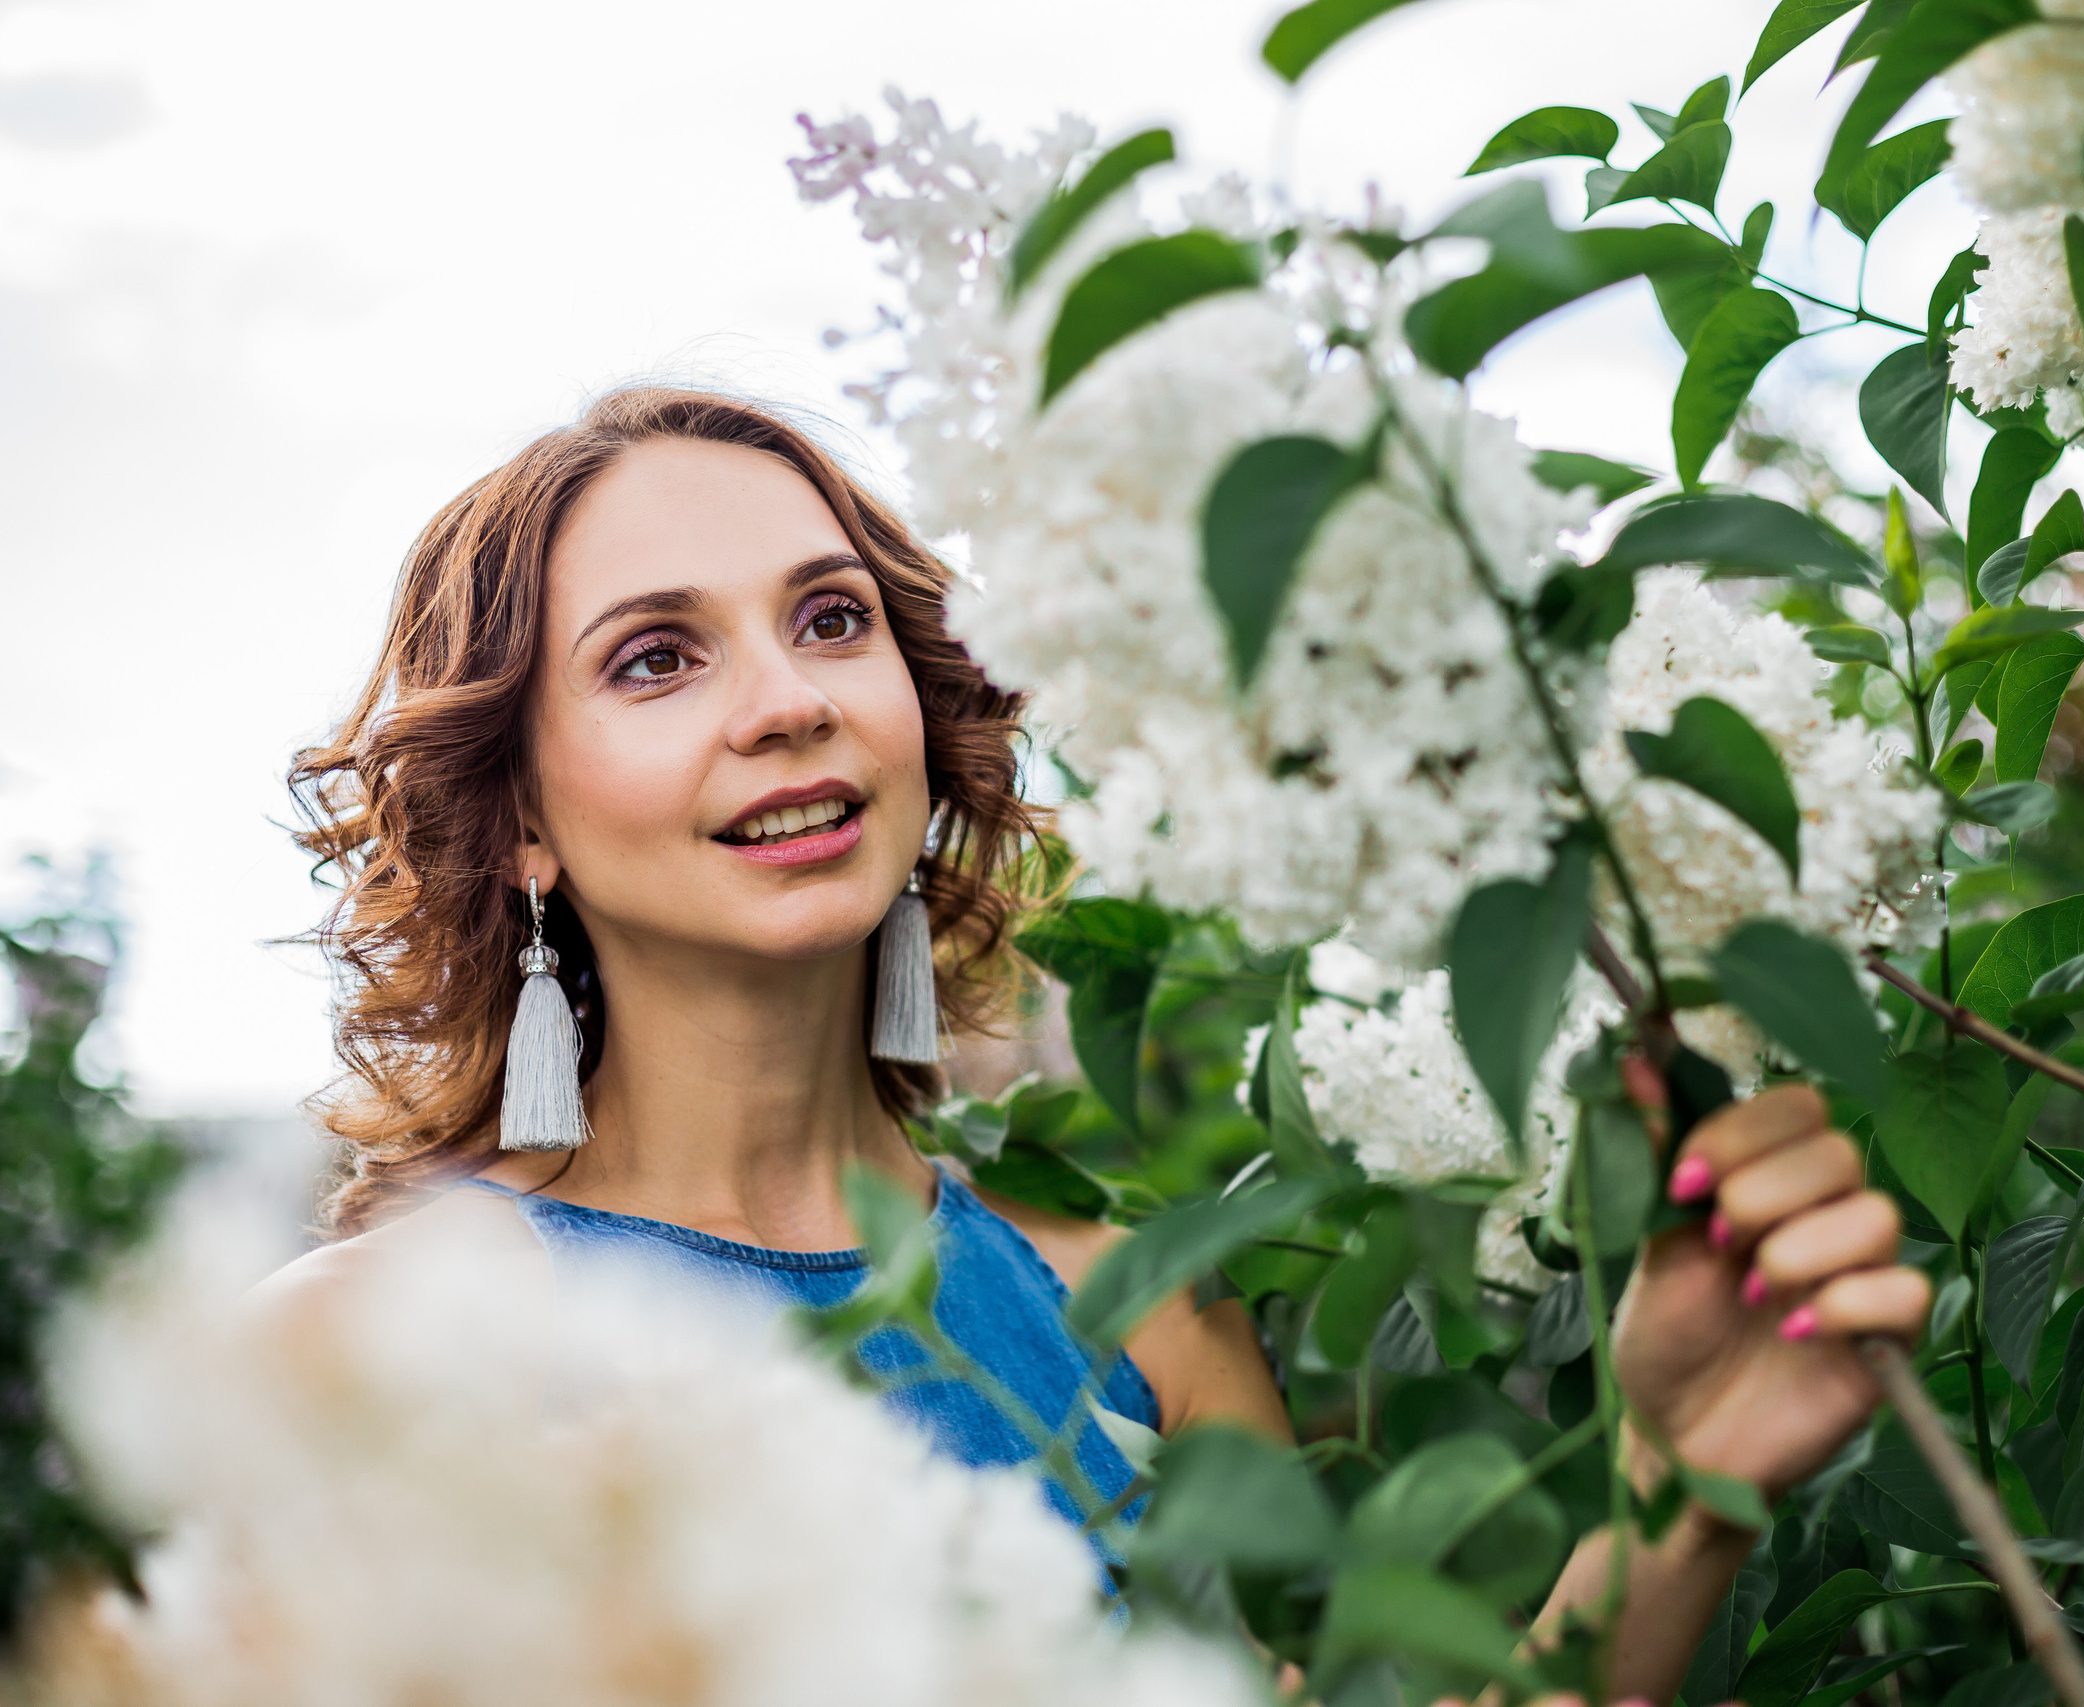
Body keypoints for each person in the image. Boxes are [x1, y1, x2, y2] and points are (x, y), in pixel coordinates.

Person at [256, 386, 1931, 1703]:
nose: (788, 700)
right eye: (656, 658)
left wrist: (1678, 1478)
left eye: (831, 622)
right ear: (520, 823)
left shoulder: (1137, 1311)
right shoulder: (371, 1354)